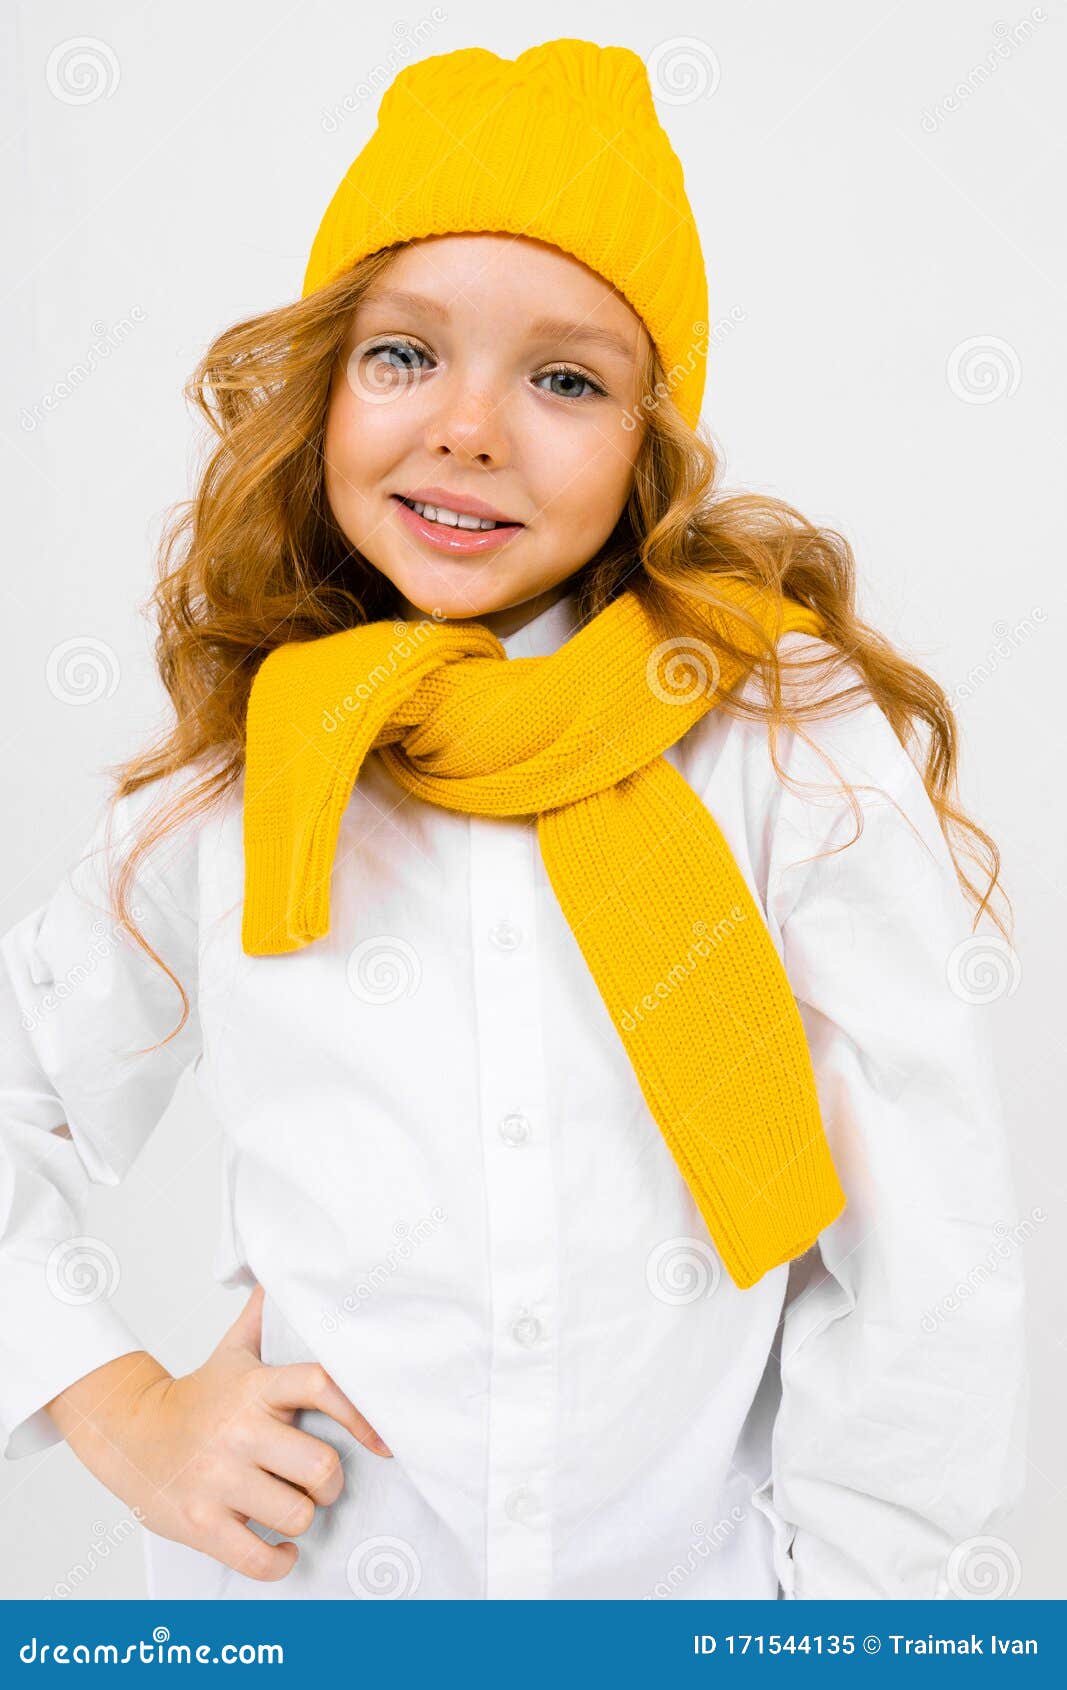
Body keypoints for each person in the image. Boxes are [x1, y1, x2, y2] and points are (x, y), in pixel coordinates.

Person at [0, 38, 1028, 1601]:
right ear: (324, 389)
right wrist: (123, 1409)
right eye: (405, 355)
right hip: (315, 1604)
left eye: (564, 378)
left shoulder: (782, 736)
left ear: (649, 446)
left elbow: (924, 1246)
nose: (471, 428)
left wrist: (852, 1615)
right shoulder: (246, 780)